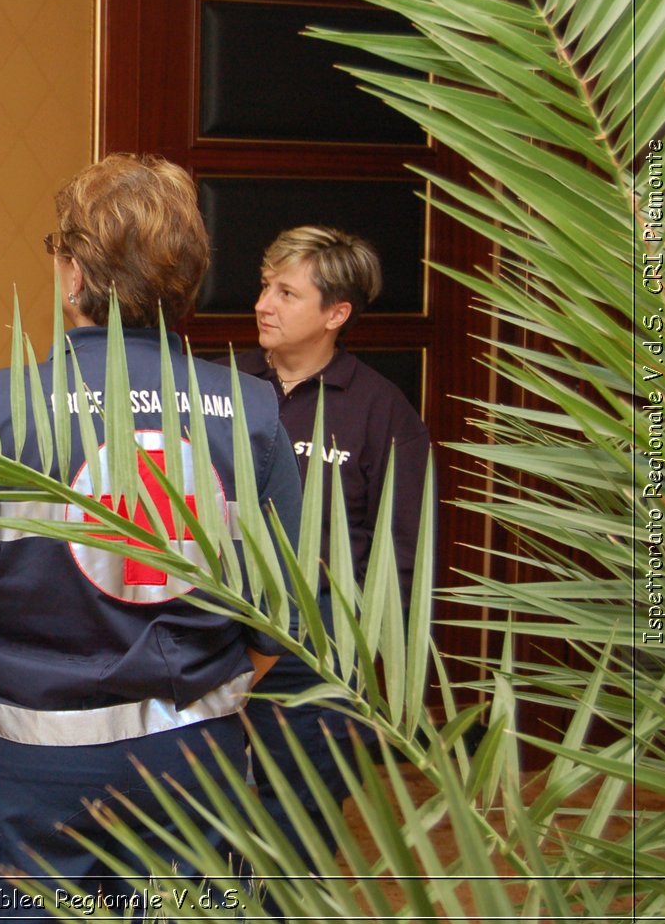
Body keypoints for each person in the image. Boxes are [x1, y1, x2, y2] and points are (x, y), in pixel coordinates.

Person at [0, 153, 304, 914]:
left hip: (29, 768)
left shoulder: (2, 411)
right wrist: (215, 697)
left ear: (75, 274)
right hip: (195, 762)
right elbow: (284, 608)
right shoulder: (251, 413)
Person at [229, 225, 431, 873]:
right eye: (266, 285)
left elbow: (403, 555)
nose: (264, 302)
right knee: (208, 824)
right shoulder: (224, 389)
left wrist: (371, 668)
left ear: (335, 314)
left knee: (296, 830)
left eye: (286, 292)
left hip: (317, 663)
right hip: (215, 641)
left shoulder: (381, 411)